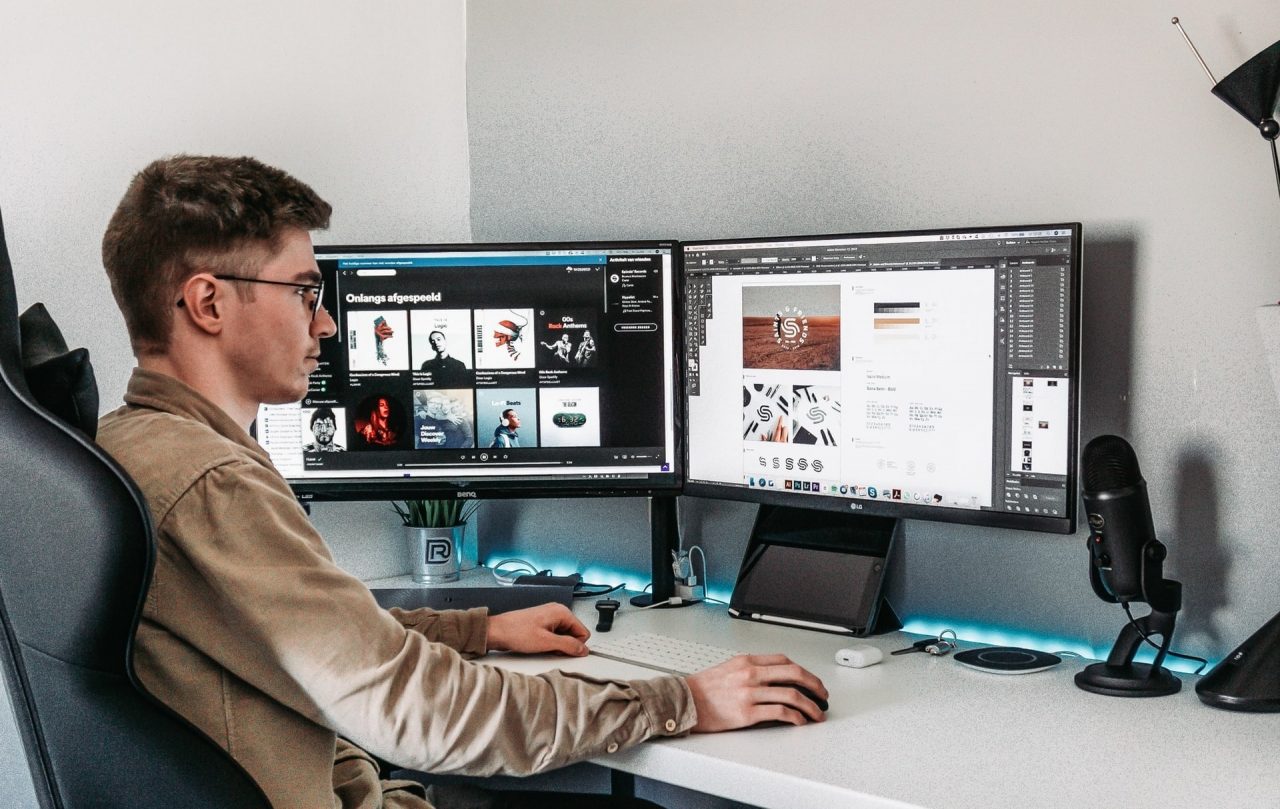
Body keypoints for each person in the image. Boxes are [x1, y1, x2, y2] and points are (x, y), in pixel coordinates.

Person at [96, 155, 827, 809]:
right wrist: (682, 699)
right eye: (303, 293)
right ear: (208, 302)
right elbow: (426, 714)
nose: (325, 327)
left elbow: (311, 640)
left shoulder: (129, 446)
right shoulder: (213, 486)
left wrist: (478, 628)